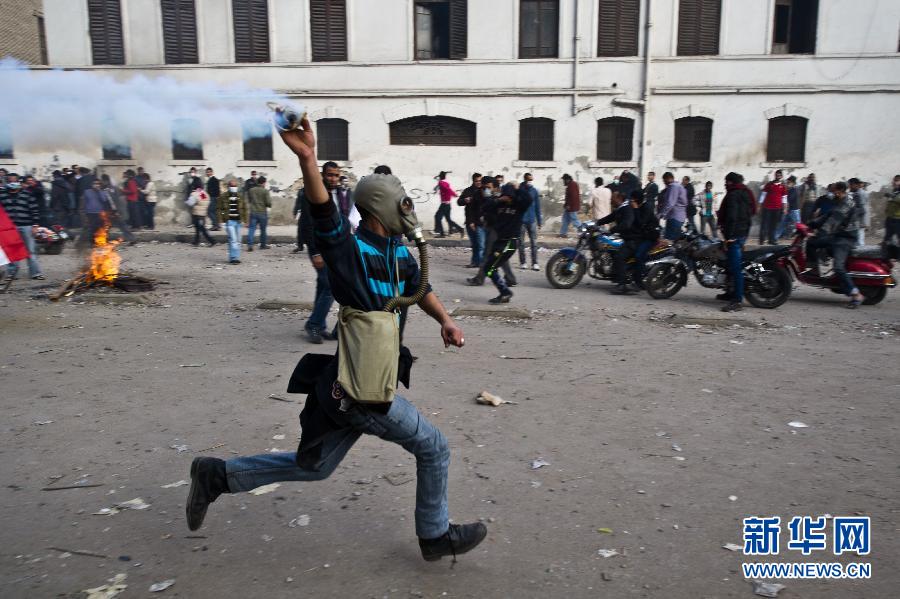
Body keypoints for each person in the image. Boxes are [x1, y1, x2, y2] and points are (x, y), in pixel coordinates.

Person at [187, 118, 488, 563]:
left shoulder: (399, 252)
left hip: (358, 379)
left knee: (317, 467)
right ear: (380, 207)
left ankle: (217, 476)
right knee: (434, 445)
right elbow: (325, 214)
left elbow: (419, 288)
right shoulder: (348, 251)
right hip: (365, 390)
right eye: (402, 202)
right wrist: (307, 158)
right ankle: (434, 536)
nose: (409, 209)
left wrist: (445, 318)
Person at [299, 162, 358, 344]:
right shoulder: (312, 192)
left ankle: (320, 325)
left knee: (323, 286)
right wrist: (315, 252)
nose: (333, 178)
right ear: (323, 175)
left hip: (336, 246)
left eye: (336, 175)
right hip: (319, 246)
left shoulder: (341, 193)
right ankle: (314, 324)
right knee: (330, 286)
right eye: (330, 175)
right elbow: (307, 223)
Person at [804, 181, 863, 308]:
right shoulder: (839, 201)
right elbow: (827, 216)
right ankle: (814, 270)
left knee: (838, 267)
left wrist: (820, 233)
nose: (832, 193)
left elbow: (832, 221)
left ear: (840, 191)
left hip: (845, 239)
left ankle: (856, 294)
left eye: (834, 191)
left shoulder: (846, 203)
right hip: (838, 236)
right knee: (812, 243)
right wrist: (809, 224)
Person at [479, 180, 532, 303]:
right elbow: (485, 207)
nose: (508, 199)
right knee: (489, 268)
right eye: (506, 196)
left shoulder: (519, 205)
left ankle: (505, 292)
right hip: (499, 241)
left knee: (490, 267)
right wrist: (498, 200)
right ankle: (505, 291)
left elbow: (528, 199)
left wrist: (518, 189)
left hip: (510, 242)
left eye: (510, 196)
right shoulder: (500, 204)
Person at [717, 172, 755, 312]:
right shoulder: (746, 193)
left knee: (735, 268)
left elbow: (732, 216)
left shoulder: (733, 194)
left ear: (731, 182)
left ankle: (737, 300)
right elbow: (751, 212)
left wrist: (730, 236)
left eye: (726, 181)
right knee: (729, 265)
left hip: (735, 235)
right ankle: (730, 292)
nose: (725, 184)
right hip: (742, 233)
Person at [0, 173, 44, 280]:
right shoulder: (2, 195)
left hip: (26, 226)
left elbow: (34, 210)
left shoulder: (27, 194)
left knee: (30, 250)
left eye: (15, 180)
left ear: (19, 182)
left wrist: (35, 225)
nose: (13, 182)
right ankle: (12, 274)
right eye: (10, 181)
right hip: (9, 229)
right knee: (12, 250)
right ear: (7, 182)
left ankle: (35, 273)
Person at [595, 191, 636, 294]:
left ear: (619, 198)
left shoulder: (627, 209)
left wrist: (612, 230)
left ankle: (622, 286)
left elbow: (627, 224)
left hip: (632, 239)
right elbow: (610, 217)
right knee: (611, 250)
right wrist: (596, 223)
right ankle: (615, 274)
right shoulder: (620, 208)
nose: (611, 201)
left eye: (612, 199)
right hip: (625, 237)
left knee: (619, 256)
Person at [457, 173, 484, 267]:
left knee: (481, 245)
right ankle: (474, 262)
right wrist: (465, 200)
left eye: (480, 180)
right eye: (477, 181)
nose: (479, 182)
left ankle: (481, 265)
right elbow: (459, 202)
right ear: (473, 181)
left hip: (480, 223)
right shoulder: (468, 191)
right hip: (470, 221)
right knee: (474, 244)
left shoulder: (484, 191)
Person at [218, 179, 247, 264]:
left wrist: (245, 220)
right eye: (231, 186)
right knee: (233, 239)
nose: (233, 187)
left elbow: (244, 209)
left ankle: (234, 257)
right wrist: (222, 219)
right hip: (229, 221)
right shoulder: (223, 196)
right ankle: (234, 258)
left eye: (235, 186)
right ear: (228, 187)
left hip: (238, 221)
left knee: (238, 240)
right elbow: (220, 209)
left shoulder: (240, 196)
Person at [100, 174, 136, 245]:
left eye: (103, 181)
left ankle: (103, 240)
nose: (102, 183)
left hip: (112, 211)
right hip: (116, 211)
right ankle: (132, 239)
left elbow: (111, 201)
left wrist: (115, 211)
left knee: (107, 226)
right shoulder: (115, 188)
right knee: (121, 226)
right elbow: (121, 198)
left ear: (106, 181)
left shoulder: (106, 190)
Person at [78, 178, 112, 248]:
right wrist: (83, 213)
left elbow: (104, 200)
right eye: (95, 184)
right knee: (92, 229)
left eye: (98, 184)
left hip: (100, 214)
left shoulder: (102, 192)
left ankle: (101, 242)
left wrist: (99, 192)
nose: (96, 185)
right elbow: (83, 203)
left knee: (101, 229)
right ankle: (92, 243)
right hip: (91, 213)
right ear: (92, 185)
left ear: (100, 185)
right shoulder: (87, 192)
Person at [518, 173, 542, 270]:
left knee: (534, 243)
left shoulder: (534, 191)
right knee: (521, 243)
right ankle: (523, 262)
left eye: (531, 180)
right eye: (528, 180)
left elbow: (537, 207)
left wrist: (539, 221)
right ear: (525, 179)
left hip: (532, 220)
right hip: (521, 220)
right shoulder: (520, 190)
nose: (530, 182)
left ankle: (534, 263)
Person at [657, 172, 687, 241]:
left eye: (664, 180)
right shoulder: (679, 186)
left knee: (669, 241)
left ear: (668, 178)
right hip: (679, 216)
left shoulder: (673, 187)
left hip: (674, 217)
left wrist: (661, 214)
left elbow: (670, 203)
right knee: (675, 240)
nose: (664, 182)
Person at [758, 170, 786, 245]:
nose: (778, 176)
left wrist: (785, 208)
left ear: (781, 176)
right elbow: (763, 195)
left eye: (779, 175)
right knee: (764, 224)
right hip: (767, 208)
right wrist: (759, 206)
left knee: (773, 225)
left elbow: (784, 198)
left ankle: (772, 240)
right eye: (777, 175)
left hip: (777, 209)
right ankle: (761, 240)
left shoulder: (783, 186)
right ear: (775, 175)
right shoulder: (769, 184)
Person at [433, 171, 463, 238]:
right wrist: (454, 194)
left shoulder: (441, 182)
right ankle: (459, 229)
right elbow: (449, 189)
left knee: (437, 217)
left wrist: (453, 194)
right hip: (448, 204)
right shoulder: (446, 183)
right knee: (448, 219)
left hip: (444, 204)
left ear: (440, 176)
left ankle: (441, 233)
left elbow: (447, 189)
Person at [247, 176, 272, 251]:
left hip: (253, 212)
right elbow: (268, 203)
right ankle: (263, 245)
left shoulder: (251, 190)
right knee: (263, 230)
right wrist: (267, 204)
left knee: (251, 229)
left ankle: (250, 245)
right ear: (264, 183)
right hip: (262, 213)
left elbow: (249, 200)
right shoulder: (265, 191)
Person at [188, 180, 216, 247]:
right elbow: (204, 201)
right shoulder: (202, 193)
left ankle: (212, 241)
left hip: (197, 214)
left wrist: (190, 201)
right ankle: (196, 242)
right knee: (198, 228)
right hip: (203, 214)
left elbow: (190, 203)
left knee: (202, 229)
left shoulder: (194, 194)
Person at [847, 178, 869, 244]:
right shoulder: (852, 194)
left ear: (856, 185)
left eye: (851, 185)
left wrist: (864, 223)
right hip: (854, 222)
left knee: (860, 241)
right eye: (849, 184)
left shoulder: (861, 194)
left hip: (859, 221)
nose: (849, 186)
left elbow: (863, 209)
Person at [884, 175, 900, 246]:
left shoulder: (895, 194)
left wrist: (892, 196)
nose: (894, 182)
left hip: (898, 220)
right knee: (887, 238)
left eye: (896, 181)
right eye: (894, 180)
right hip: (890, 218)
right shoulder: (894, 191)